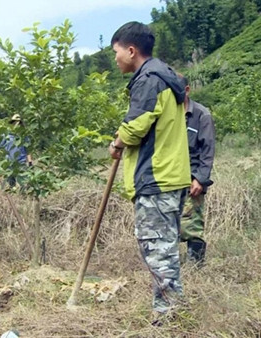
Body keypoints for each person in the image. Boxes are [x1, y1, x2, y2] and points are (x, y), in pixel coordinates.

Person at [109, 22, 191, 320]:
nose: (115, 58)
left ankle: (168, 316)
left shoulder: (149, 80)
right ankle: (172, 309)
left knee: (158, 250)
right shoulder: (164, 77)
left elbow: (135, 126)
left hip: (157, 178)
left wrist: (117, 142)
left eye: (116, 52)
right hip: (169, 176)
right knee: (163, 248)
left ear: (131, 51)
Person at [179, 75, 215, 265]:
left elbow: (207, 151)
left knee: (192, 225)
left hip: (193, 179)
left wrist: (200, 179)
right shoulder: (168, 114)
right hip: (171, 178)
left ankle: (196, 268)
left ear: (186, 90)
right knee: (171, 225)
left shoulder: (201, 115)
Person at [0, 114, 33, 188]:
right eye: (14, 123)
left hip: (21, 162)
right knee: (11, 183)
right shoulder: (6, 135)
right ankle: (13, 195)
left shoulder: (24, 136)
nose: (16, 125)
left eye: (18, 123)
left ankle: (23, 196)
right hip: (9, 163)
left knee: (24, 182)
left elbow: (28, 150)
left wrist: (30, 162)